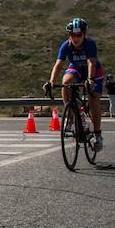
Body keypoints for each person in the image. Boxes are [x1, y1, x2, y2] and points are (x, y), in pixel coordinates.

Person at [43, 17, 105, 151]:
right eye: (72, 35)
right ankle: (70, 111)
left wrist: (90, 79)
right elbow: (58, 64)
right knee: (66, 82)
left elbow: (91, 62)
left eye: (79, 35)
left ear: (84, 35)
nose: (75, 38)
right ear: (69, 35)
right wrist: (52, 81)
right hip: (76, 68)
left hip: (92, 71)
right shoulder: (66, 45)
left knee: (94, 98)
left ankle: (97, 134)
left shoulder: (90, 44)